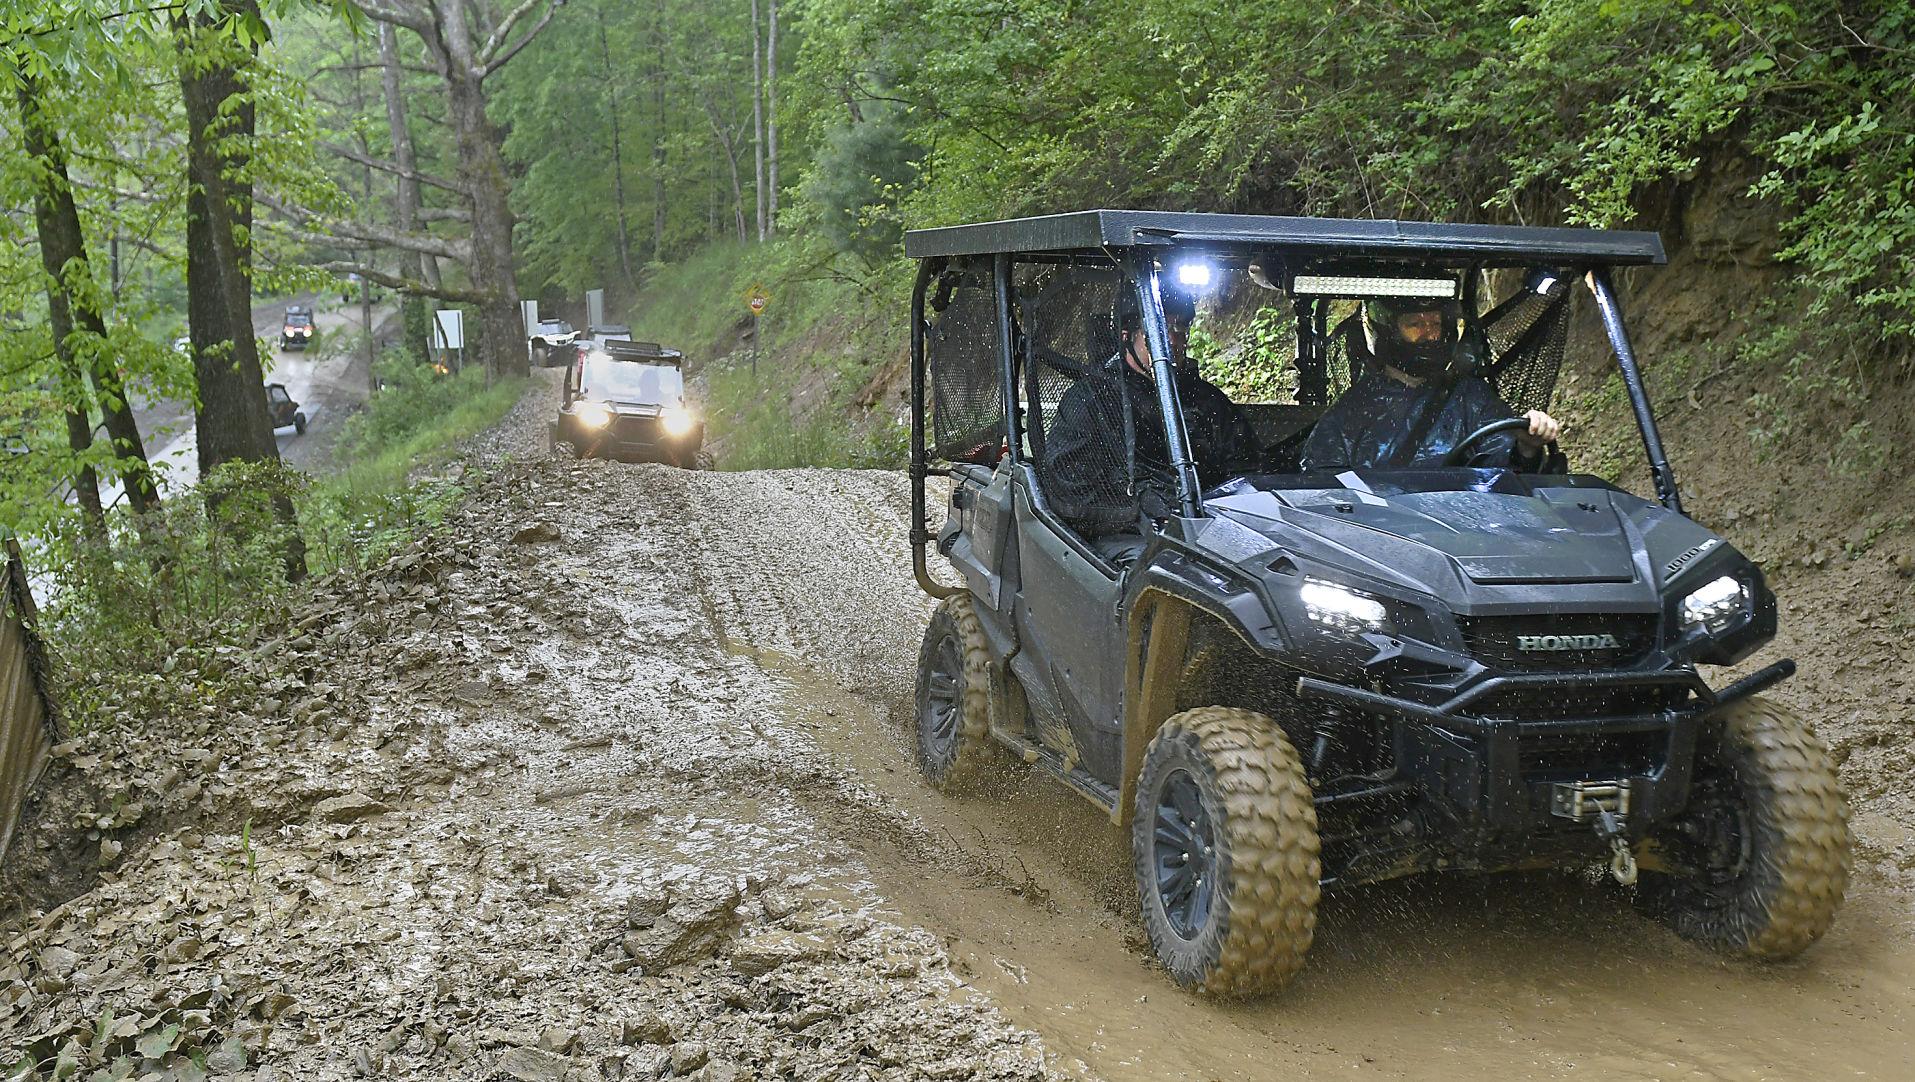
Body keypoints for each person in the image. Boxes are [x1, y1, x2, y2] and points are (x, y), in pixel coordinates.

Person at [1043, 287, 1261, 539]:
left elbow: (1246, 465)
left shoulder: (1205, 399)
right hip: (1124, 534)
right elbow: (1070, 485)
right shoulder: (1091, 399)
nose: (1170, 340)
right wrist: (1139, 516)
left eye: (1179, 329)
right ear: (1126, 337)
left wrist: (1220, 509)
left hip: (1210, 526)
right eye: (1157, 331)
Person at [1298, 296, 1562, 471]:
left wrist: (1526, 447)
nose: (1430, 335)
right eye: (1415, 324)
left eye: (1435, 323)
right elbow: (1322, 484)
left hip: (1461, 524)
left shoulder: (1470, 396)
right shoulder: (1352, 410)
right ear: (1389, 330)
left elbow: (1502, 467)